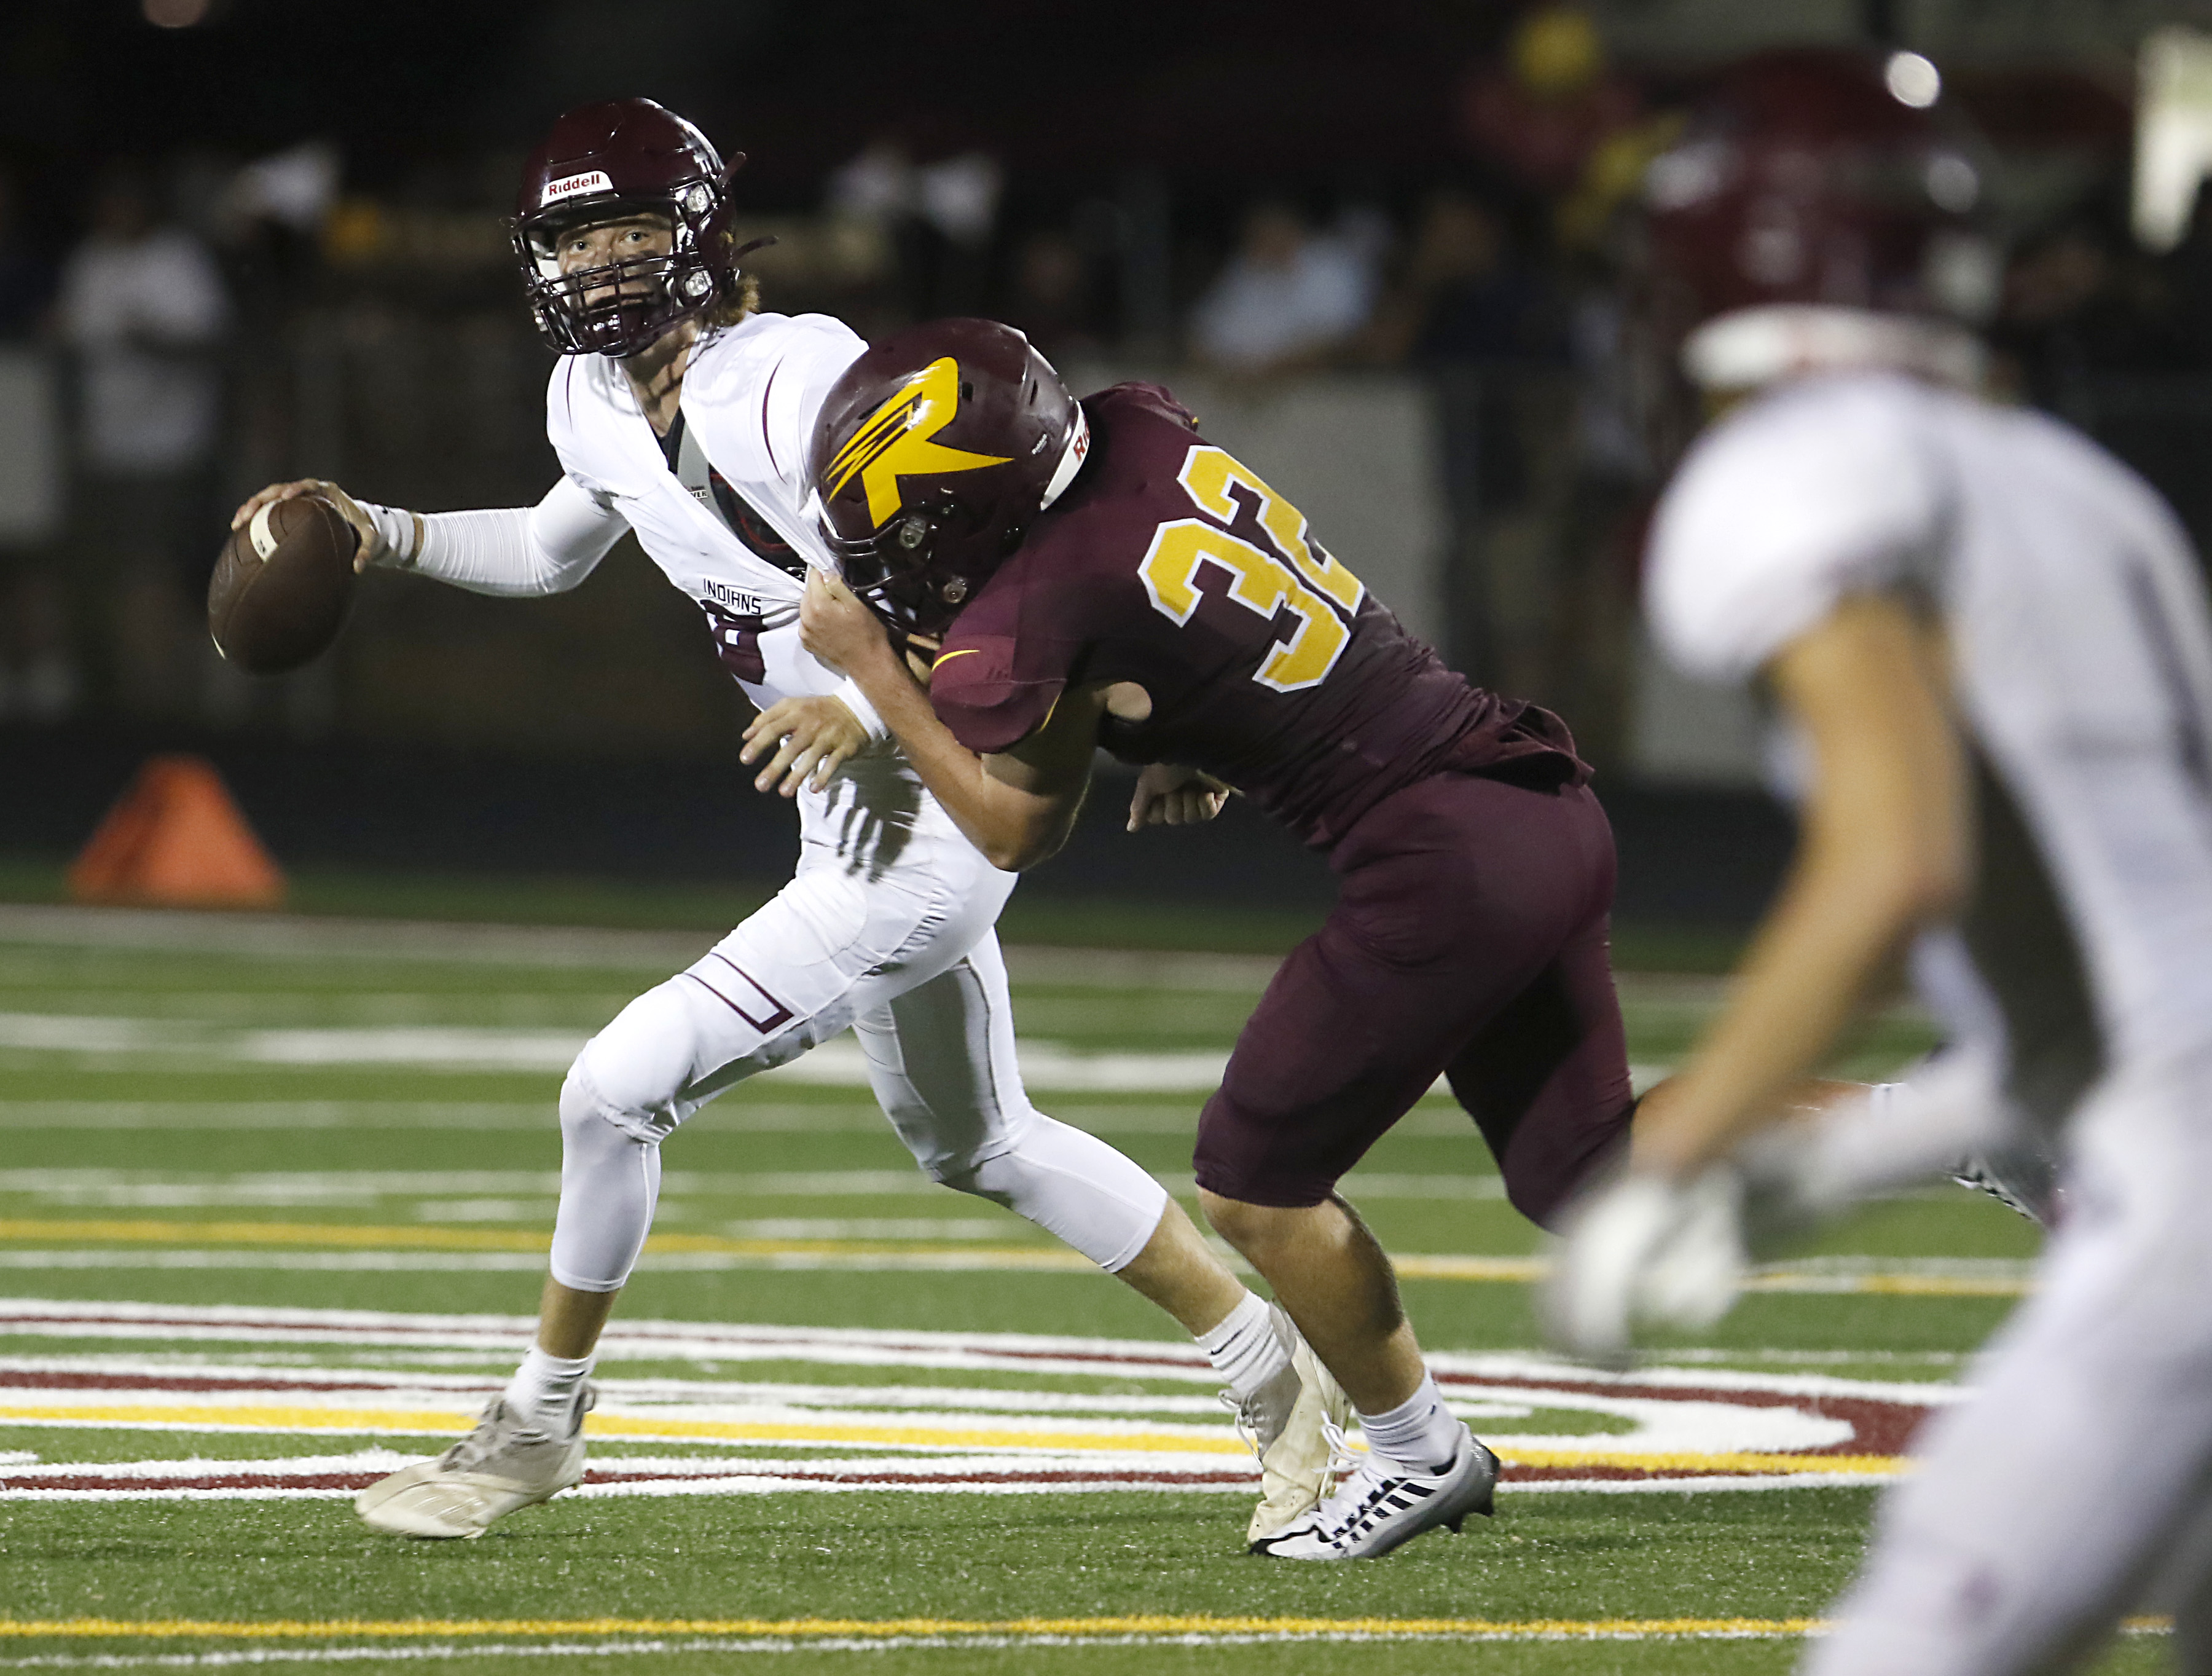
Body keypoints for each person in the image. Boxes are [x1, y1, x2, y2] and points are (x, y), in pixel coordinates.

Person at [230, 99, 1340, 1549]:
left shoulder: (791, 378)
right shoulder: (593, 396)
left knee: (612, 1086)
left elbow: (987, 571)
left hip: (922, 813)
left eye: (630, 226)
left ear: (699, 229)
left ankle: (538, 1422)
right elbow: (559, 547)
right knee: (980, 1141)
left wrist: (874, 706)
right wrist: (380, 528)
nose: (603, 262)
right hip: (844, 825)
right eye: (575, 236)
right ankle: (1282, 1383)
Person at [1542, 49, 2212, 1674]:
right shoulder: (2084, 490)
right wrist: (1838, 1164)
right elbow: (2137, 997)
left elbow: (1895, 855)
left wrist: (1679, 1147)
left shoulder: (1795, 466)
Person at [796, 315, 1640, 1559]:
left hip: (1439, 861)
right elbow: (1198, 606)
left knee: (1253, 1176)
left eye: (906, 536)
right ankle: (1936, 1123)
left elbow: (1016, 828)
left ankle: (1418, 1454)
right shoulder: (1137, 427)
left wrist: (873, 663)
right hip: (1533, 796)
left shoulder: (1032, 606)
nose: (897, 566)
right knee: (1587, 1170)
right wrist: (1195, 728)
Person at [58, 162, 228, 719]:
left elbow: (211, 343)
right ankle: (126, 697)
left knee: (156, 570)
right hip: (104, 448)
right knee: (109, 573)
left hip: (169, 449)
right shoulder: (89, 261)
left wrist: (151, 340)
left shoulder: (176, 261)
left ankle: (167, 700)